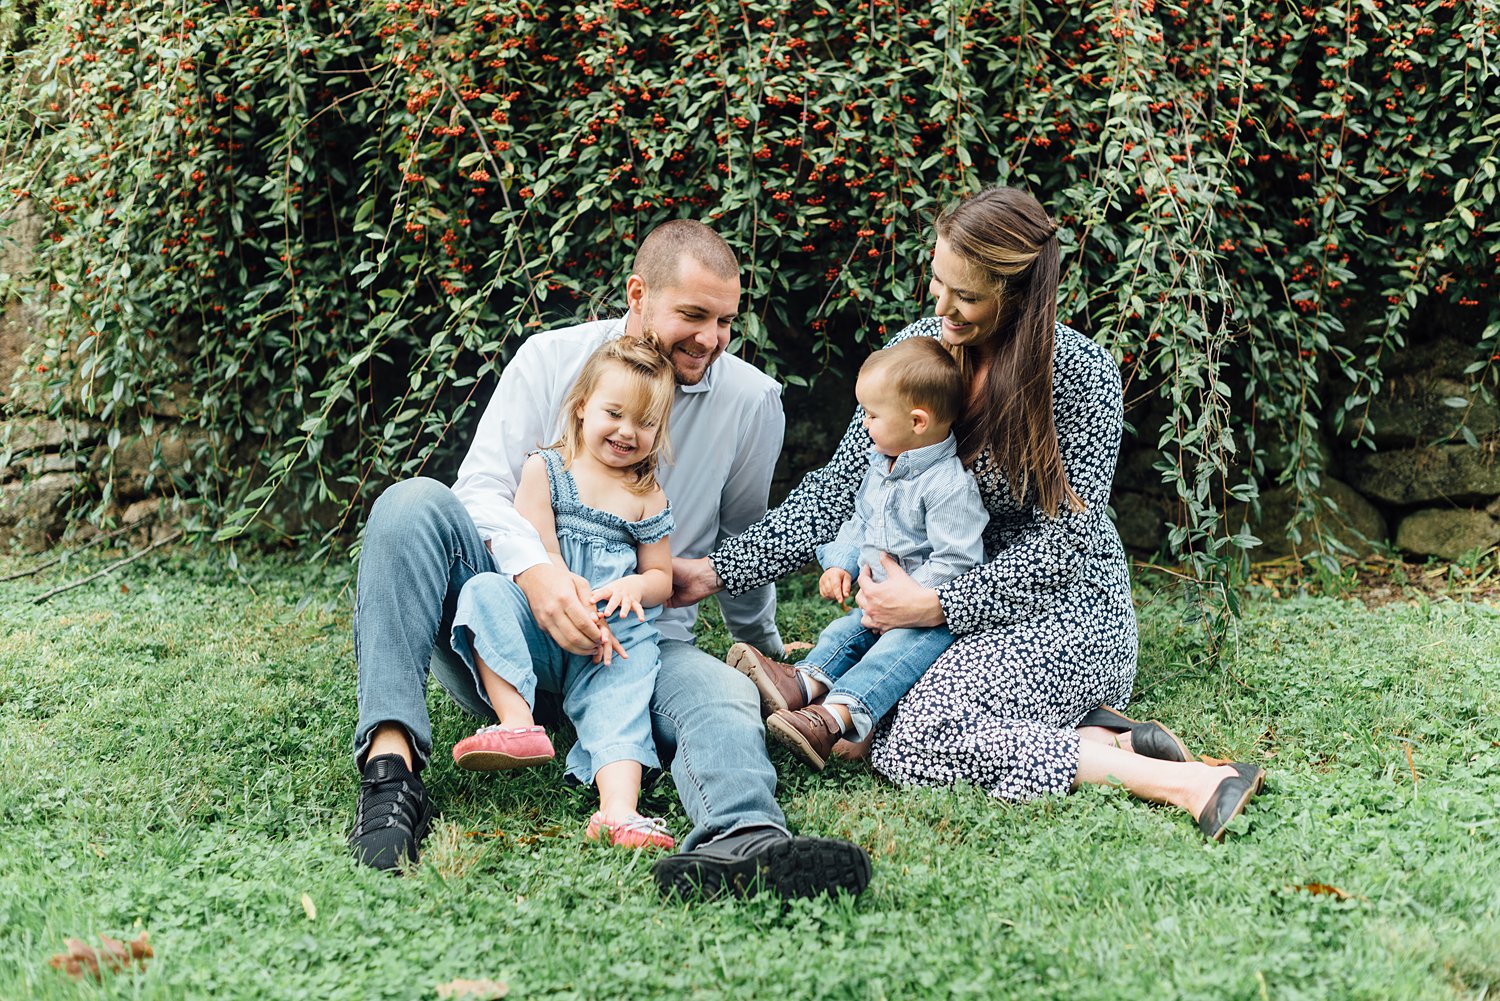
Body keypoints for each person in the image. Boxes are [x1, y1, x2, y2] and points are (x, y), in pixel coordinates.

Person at [673, 187, 1264, 842]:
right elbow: (840, 486)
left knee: (911, 737)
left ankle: (1195, 782)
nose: (941, 305)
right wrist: (711, 571)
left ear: (1018, 294)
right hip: (941, 605)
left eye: (966, 295)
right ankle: (1104, 738)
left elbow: (1059, 551)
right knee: (876, 715)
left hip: (1066, 605)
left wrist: (934, 606)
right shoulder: (921, 353)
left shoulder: (1081, 376)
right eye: (936, 280)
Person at [348, 219, 872, 896]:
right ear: (638, 295)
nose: (711, 339)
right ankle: (391, 778)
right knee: (408, 502)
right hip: (511, 644)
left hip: (639, 648)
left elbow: (743, 540)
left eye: (725, 321)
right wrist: (536, 574)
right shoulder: (548, 359)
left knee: (723, 696)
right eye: (692, 314)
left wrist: (761, 647)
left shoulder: (751, 401)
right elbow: (478, 488)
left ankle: (745, 840)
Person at [447, 336, 679, 849]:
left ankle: (618, 810)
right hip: (544, 620)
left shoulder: (646, 496)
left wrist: (633, 584)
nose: (626, 431)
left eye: (644, 422)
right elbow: (538, 550)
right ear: (579, 409)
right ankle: (517, 721)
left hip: (609, 640)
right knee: (485, 590)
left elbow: (661, 576)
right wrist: (559, 576)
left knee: (626, 694)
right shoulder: (546, 469)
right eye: (613, 413)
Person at [726, 337, 987, 771]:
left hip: (928, 618)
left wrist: (908, 601)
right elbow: (859, 520)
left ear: (917, 421)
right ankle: (801, 684)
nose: (864, 424)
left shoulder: (948, 486)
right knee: (842, 635)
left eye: (871, 415)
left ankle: (832, 719)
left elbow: (958, 560)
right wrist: (841, 563)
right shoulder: (880, 464)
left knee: (892, 656)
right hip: (880, 602)